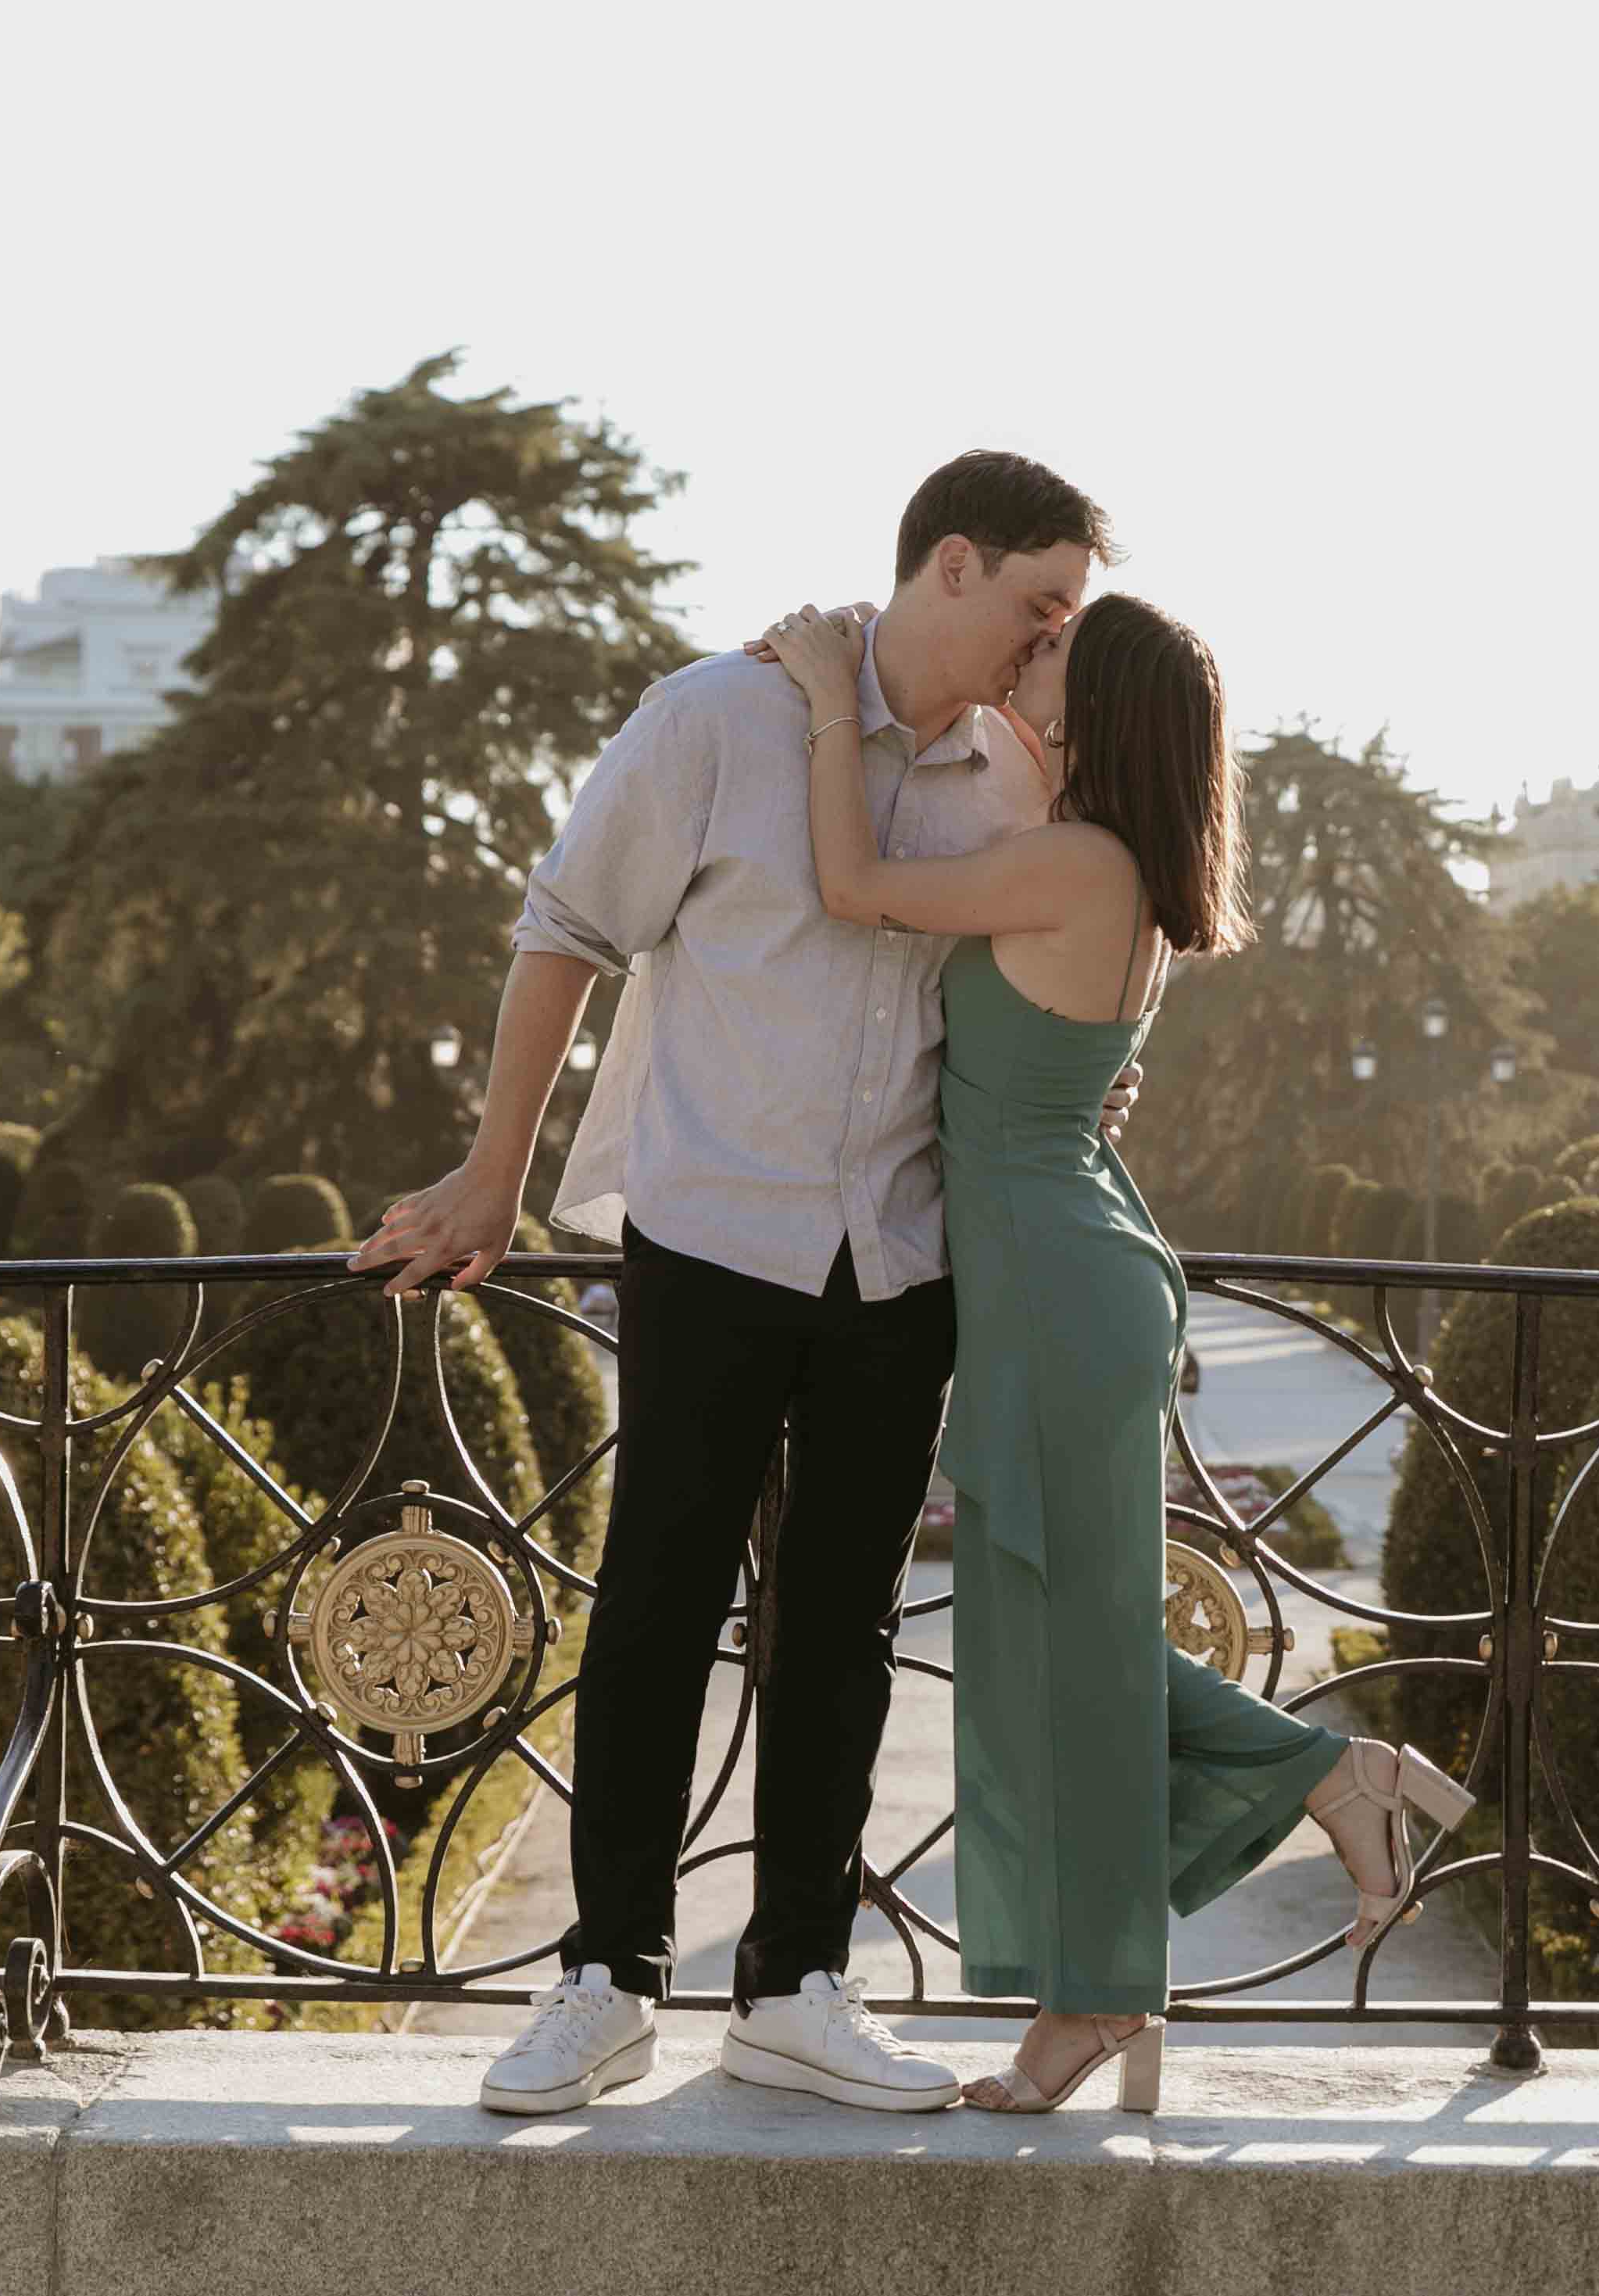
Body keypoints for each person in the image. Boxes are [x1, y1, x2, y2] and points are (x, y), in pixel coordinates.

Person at [351, 452, 1138, 2117]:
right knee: (656, 1600)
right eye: (1036, 605)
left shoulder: (1013, 773)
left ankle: (797, 1984)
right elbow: (566, 923)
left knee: (843, 1624)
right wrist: (495, 1172)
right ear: (948, 566)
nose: (1048, 639)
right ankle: (602, 1980)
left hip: (901, 1255)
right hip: (711, 1229)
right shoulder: (714, 716)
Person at [749, 591, 1473, 2115]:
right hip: (1059, 1275)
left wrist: (827, 694)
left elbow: (852, 877)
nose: (1028, 661)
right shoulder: (1111, 857)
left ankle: (1091, 2000)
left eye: (1054, 655)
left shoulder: (1076, 863)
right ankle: (1328, 1789)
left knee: (1053, 1661)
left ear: (1101, 713)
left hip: (1062, 1291)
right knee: (1048, 1647)